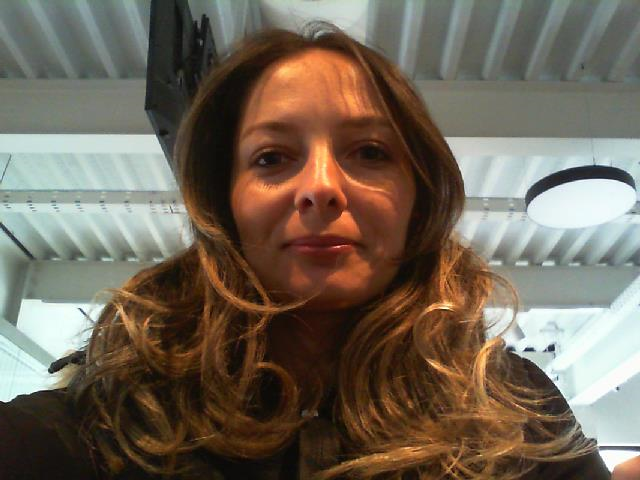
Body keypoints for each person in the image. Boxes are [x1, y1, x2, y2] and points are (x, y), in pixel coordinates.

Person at [0, 22, 611, 479]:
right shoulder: (107, 417)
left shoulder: (514, 408)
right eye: (271, 158)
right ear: (224, 201)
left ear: (418, 198)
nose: (320, 187)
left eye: (369, 152)